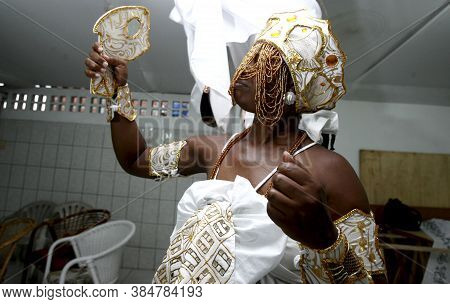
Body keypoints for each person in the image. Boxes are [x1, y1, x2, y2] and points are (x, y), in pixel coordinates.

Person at [84, 10, 387, 283]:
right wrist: (116, 92)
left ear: (293, 90)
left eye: (264, 65)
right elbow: (136, 159)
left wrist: (325, 240)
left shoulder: (329, 170)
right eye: (250, 58)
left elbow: (373, 284)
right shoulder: (214, 150)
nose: (245, 69)